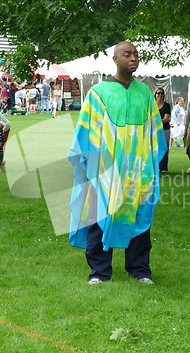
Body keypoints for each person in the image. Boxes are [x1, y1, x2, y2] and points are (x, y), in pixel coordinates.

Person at [69, 41, 167, 285]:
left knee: (140, 216)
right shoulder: (98, 93)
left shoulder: (144, 93)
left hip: (137, 170)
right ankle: (99, 272)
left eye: (136, 54)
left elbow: (154, 133)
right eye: (127, 54)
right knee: (100, 214)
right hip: (106, 168)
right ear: (115, 59)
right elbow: (87, 132)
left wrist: (149, 165)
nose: (133, 58)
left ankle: (140, 269)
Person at [154, 87, 171, 172]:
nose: (160, 95)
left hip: (164, 129)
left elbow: (166, 118)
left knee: (164, 148)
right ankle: (154, 166)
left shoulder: (167, 105)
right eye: (158, 93)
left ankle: (163, 167)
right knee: (154, 148)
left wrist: (155, 121)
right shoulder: (151, 105)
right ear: (155, 94)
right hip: (153, 130)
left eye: (161, 93)